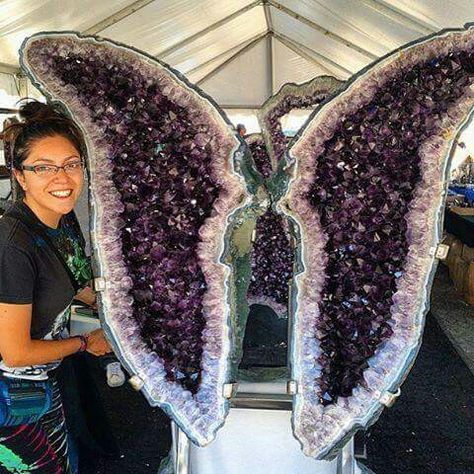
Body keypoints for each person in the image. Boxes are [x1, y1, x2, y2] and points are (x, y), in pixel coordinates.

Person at [0, 100, 112, 473]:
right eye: (43, 168)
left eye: (71, 165)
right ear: (19, 176)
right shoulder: (13, 244)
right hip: (10, 400)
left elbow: (68, 279)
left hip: (42, 384)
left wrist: (109, 307)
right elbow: (15, 353)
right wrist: (85, 343)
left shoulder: (56, 223)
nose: (62, 179)